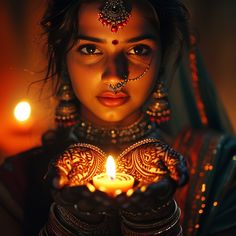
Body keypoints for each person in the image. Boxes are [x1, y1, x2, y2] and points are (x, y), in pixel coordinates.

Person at [0, 0, 235, 235]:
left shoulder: (219, 167)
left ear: (163, 57)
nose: (114, 77)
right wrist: (70, 222)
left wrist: (155, 221)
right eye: (90, 49)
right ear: (63, 58)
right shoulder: (18, 179)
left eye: (138, 50)